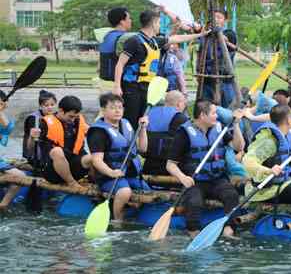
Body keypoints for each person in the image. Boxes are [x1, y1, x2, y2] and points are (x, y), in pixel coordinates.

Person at [113, 9, 206, 128]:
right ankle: (128, 144)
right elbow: (120, 64)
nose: (159, 26)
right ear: (153, 23)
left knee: (144, 120)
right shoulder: (134, 41)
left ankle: (141, 145)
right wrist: (117, 86)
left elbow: (176, 38)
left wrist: (199, 35)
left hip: (147, 88)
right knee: (131, 120)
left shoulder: (154, 41)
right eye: (159, 23)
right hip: (132, 88)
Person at [165, 99, 245, 237]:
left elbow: (239, 147)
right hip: (195, 181)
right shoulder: (184, 133)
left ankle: (228, 231)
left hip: (217, 179)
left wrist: (236, 125)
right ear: (202, 115)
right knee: (194, 203)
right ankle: (194, 233)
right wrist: (183, 178)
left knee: (231, 195)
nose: (217, 116)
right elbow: (170, 165)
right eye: (213, 113)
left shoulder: (219, 129)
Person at [87, 93, 149, 222]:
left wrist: (143, 129)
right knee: (125, 192)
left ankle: (132, 208)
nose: (117, 111)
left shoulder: (125, 124)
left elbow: (142, 149)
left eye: (120, 107)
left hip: (130, 174)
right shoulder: (98, 132)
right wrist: (111, 172)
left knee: (148, 192)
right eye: (113, 108)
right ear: (103, 110)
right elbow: (97, 160)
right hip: (108, 177)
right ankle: (117, 220)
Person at [31, 95, 92, 187]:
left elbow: (92, 133)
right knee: (57, 151)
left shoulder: (77, 120)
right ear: (61, 110)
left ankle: (94, 181)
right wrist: (32, 137)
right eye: (70, 116)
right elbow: (30, 148)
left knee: (93, 157)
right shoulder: (45, 124)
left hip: (74, 166)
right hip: (53, 172)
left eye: (75, 117)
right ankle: (71, 183)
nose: (73, 120)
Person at [143, 90, 189, 176]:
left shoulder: (149, 113)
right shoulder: (180, 118)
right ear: (179, 104)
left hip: (148, 164)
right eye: (184, 103)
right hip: (169, 167)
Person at [201, 9, 239, 108]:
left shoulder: (229, 33)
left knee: (228, 109)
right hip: (207, 79)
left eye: (219, 17)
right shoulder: (207, 36)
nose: (216, 19)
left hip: (224, 80)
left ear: (225, 21)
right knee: (206, 108)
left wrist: (216, 31)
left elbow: (224, 38)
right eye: (214, 17)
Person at [0, 97, 26, 210]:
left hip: (1, 162)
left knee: (21, 176)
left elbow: (6, 128)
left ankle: (3, 205)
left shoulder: (3, 119)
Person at [22, 89, 57, 168]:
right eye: (46, 105)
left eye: (52, 104)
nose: (50, 108)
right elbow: (31, 143)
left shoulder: (55, 117)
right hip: (35, 156)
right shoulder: (34, 118)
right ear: (40, 106)